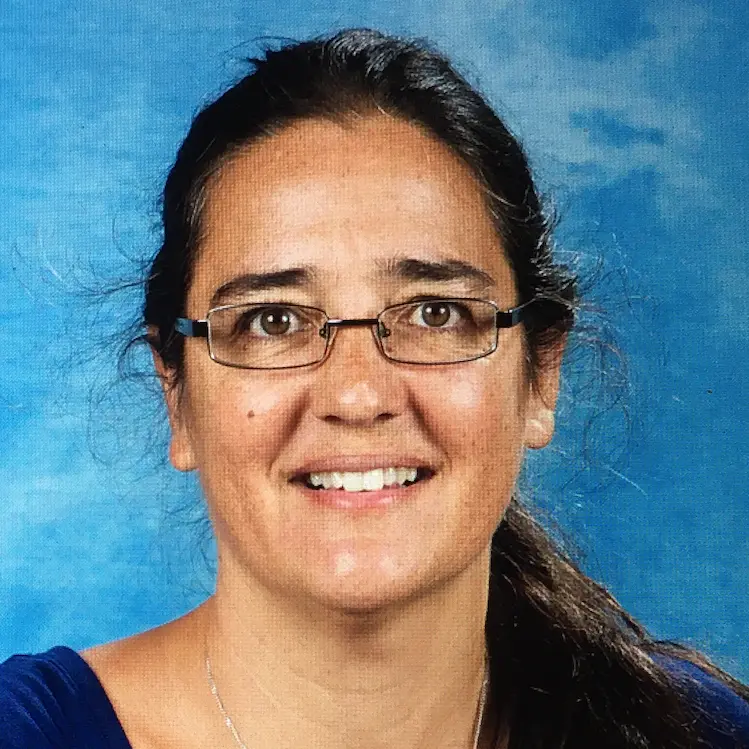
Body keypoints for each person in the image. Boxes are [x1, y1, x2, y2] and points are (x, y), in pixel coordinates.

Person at [1, 28, 747, 749]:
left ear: (540, 376)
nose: (357, 396)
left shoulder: (697, 731)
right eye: (272, 320)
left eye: (434, 313)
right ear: (177, 393)